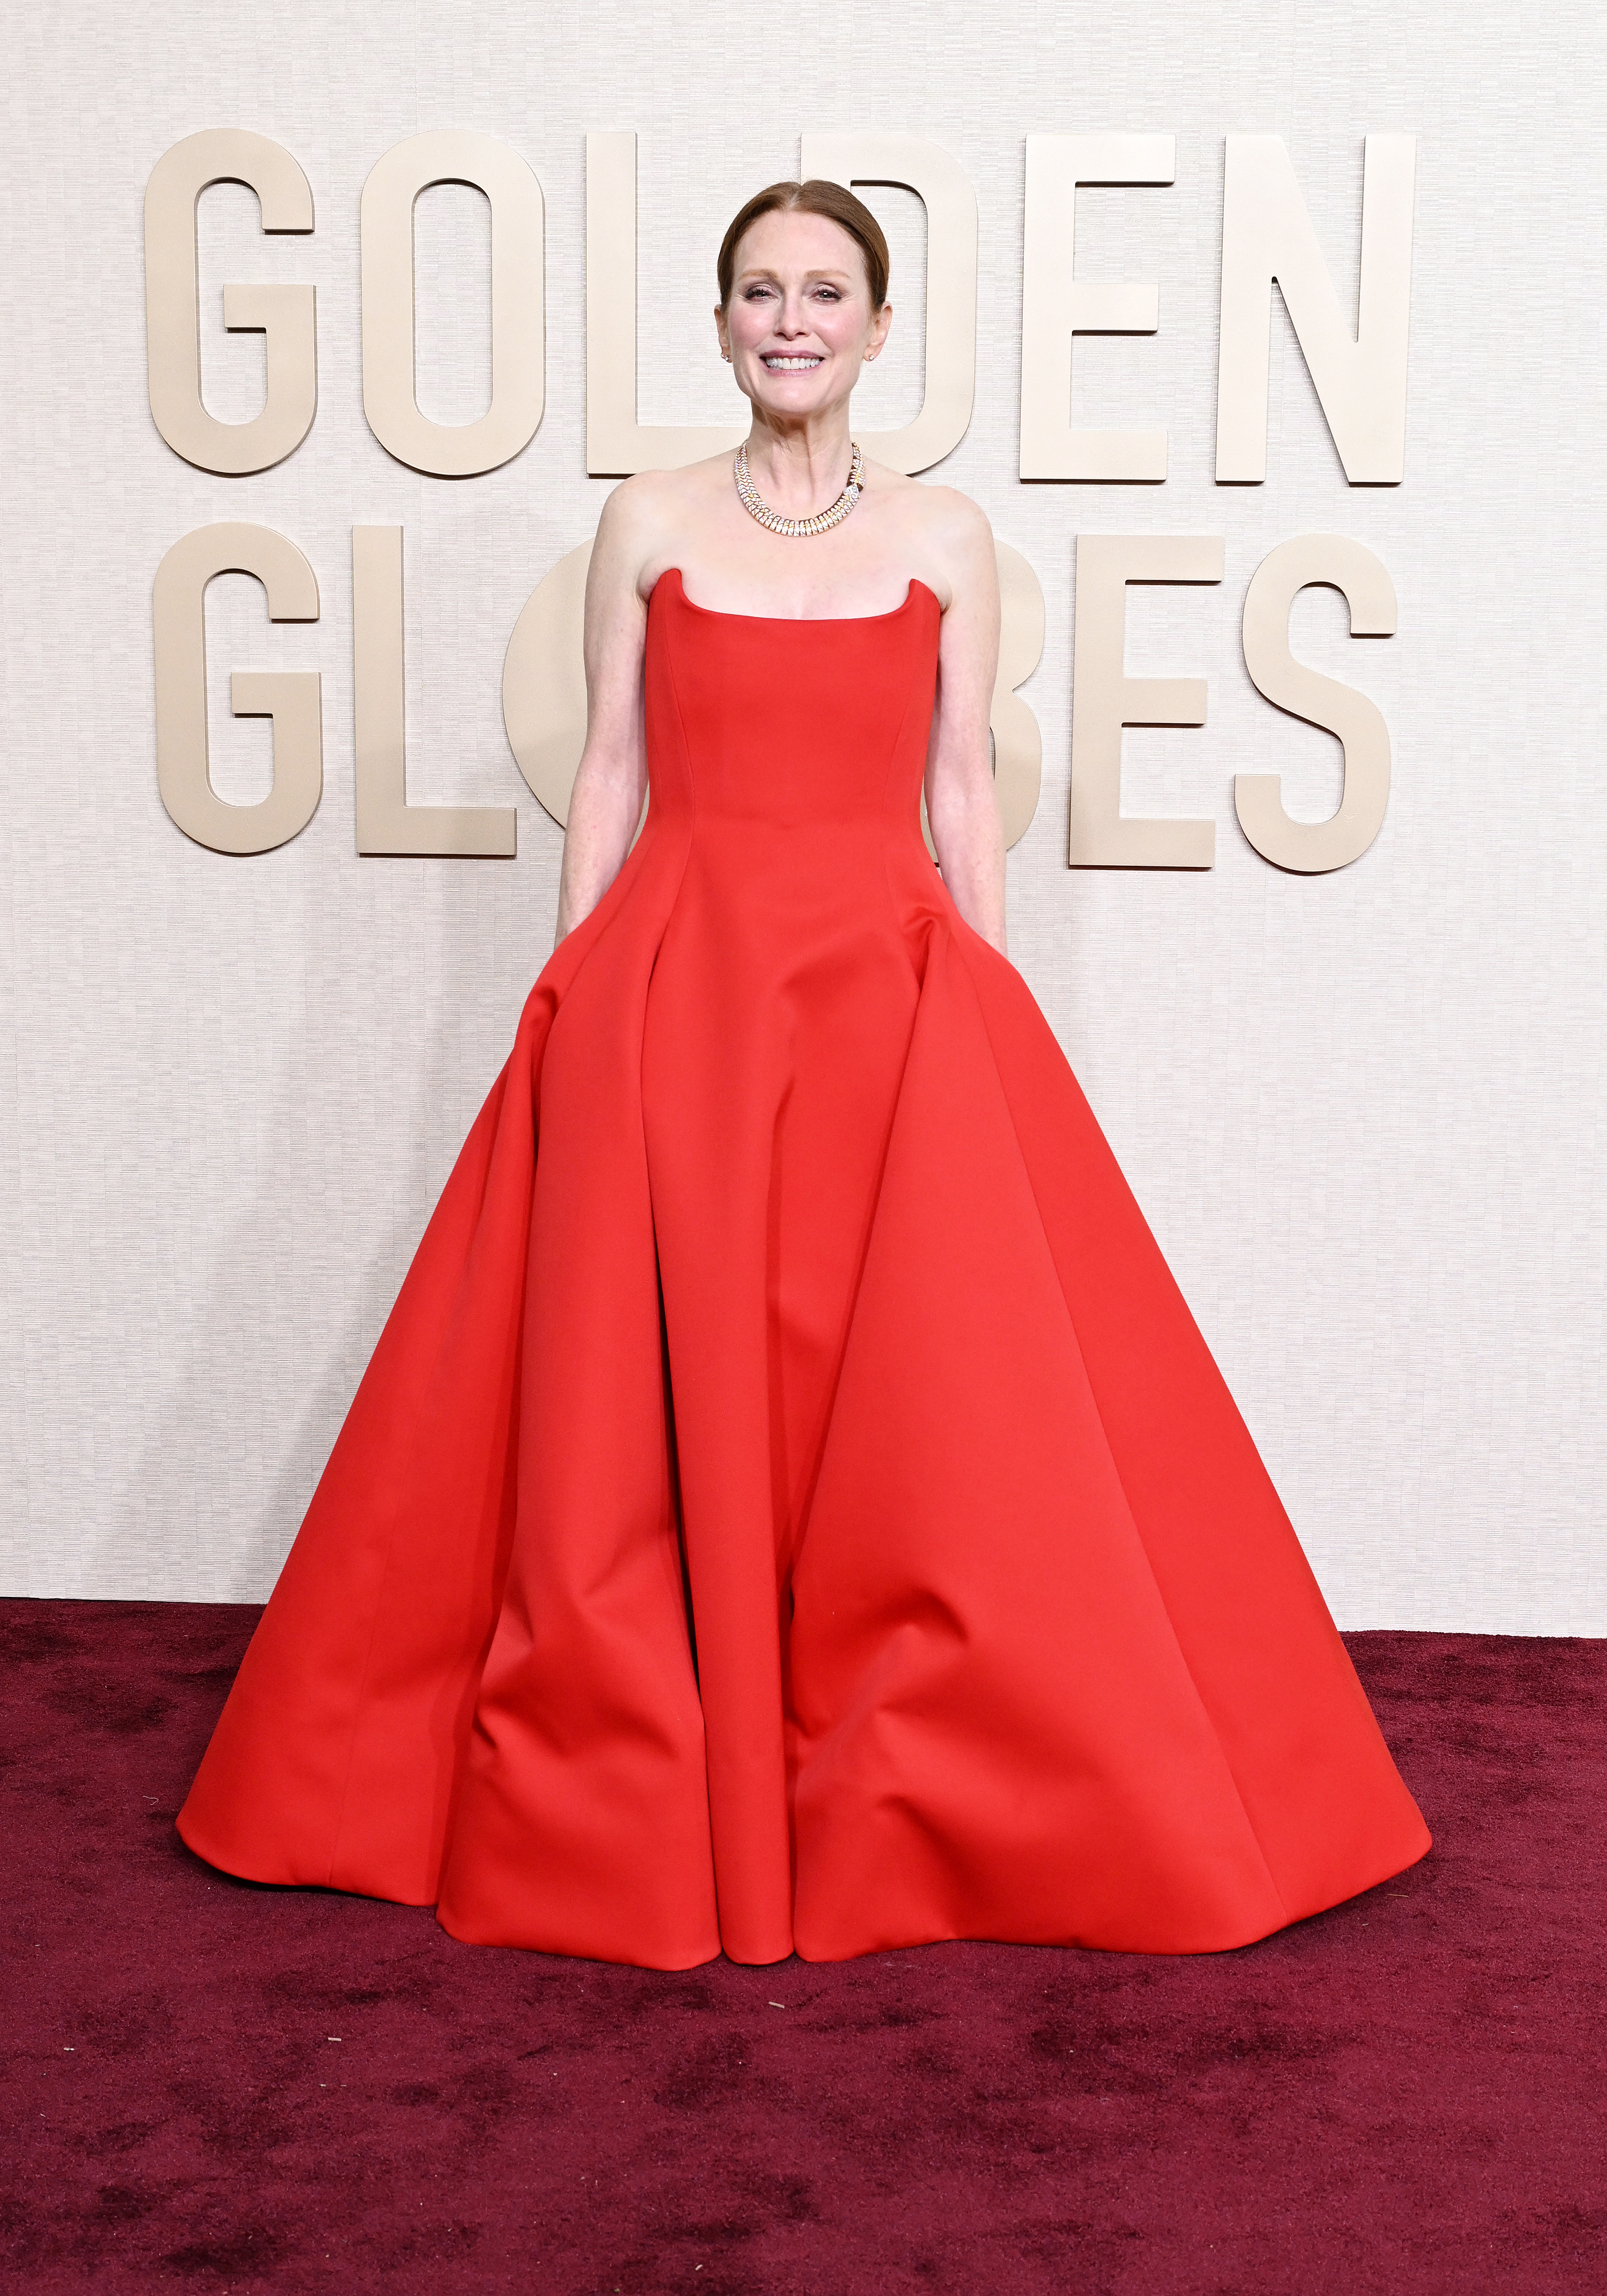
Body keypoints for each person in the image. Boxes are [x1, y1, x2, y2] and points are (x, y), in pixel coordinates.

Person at [179, 181, 1429, 1969]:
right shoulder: (648, 519)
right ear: (720, 324)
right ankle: (637, 1772)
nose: (791, 319)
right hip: (676, 993)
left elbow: (965, 790)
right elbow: (607, 765)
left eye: (824, 292)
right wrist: (570, 974)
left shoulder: (945, 537)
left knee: (896, 1394)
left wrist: (986, 1008)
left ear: (877, 322)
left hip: (879, 1000)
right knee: (636, 1396)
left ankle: (903, 1786)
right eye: (760, 291)